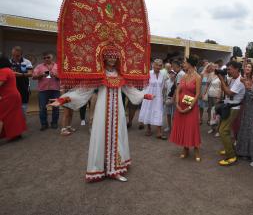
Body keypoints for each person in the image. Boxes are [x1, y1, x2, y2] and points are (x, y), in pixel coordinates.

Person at [49, 47, 153, 182]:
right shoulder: (99, 74)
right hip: (102, 110)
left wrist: (146, 95)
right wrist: (64, 99)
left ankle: (115, 169)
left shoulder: (120, 74)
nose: (112, 59)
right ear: (104, 58)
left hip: (118, 111)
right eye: (110, 56)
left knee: (116, 137)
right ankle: (100, 168)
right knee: (101, 136)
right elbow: (83, 90)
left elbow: (130, 90)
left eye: (115, 57)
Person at [169, 55, 202, 161]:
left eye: (185, 63)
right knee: (184, 127)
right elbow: (178, 90)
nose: (183, 64)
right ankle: (185, 148)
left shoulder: (198, 77)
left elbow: (197, 94)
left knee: (192, 127)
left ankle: (196, 148)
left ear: (190, 64)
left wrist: (190, 106)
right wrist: (177, 104)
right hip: (181, 104)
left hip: (191, 106)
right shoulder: (184, 76)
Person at [217, 61, 246, 166]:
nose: (227, 71)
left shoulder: (239, 81)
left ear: (237, 69)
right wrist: (223, 80)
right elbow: (225, 91)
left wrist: (221, 79)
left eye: (229, 69)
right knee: (226, 130)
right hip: (229, 106)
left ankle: (231, 156)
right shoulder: (233, 79)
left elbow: (229, 93)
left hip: (234, 108)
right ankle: (228, 148)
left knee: (223, 131)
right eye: (227, 69)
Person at [0, 56, 27, 140]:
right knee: (14, 116)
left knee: (1, 116)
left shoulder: (3, 71)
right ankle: (16, 134)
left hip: (7, 96)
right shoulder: (9, 70)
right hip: (14, 96)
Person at [32, 52, 61, 130]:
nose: (46, 59)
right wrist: (41, 75)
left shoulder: (58, 66)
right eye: (44, 58)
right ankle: (44, 124)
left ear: (52, 58)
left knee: (56, 107)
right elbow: (33, 77)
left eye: (48, 57)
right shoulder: (39, 67)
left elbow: (62, 77)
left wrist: (56, 75)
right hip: (43, 90)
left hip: (55, 90)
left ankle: (54, 123)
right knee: (42, 108)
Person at [139, 59, 166, 139]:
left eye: (160, 65)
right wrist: (146, 95)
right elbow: (144, 85)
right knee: (149, 110)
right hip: (149, 96)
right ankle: (149, 128)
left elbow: (162, 86)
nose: (158, 67)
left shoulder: (162, 75)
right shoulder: (149, 73)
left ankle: (159, 131)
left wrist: (162, 97)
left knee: (159, 111)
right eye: (157, 65)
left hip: (158, 97)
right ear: (153, 65)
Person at [9, 46, 33, 116]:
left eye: (17, 56)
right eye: (13, 55)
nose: (15, 57)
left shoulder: (27, 62)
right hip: (12, 87)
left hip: (24, 87)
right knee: (12, 105)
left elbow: (30, 74)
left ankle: (22, 123)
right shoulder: (8, 62)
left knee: (23, 106)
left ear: (21, 54)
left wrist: (20, 74)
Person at [206, 63, 222, 134]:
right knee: (210, 111)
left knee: (217, 112)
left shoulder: (220, 75)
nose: (215, 68)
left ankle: (218, 129)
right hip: (210, 95)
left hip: (216, 96)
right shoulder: (211, 74)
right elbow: (207, 84)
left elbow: (221, 87)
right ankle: (212, 128)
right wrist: (205, 93)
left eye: (216, 66)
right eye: (214, 67)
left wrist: (219, 96)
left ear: (219, 67)